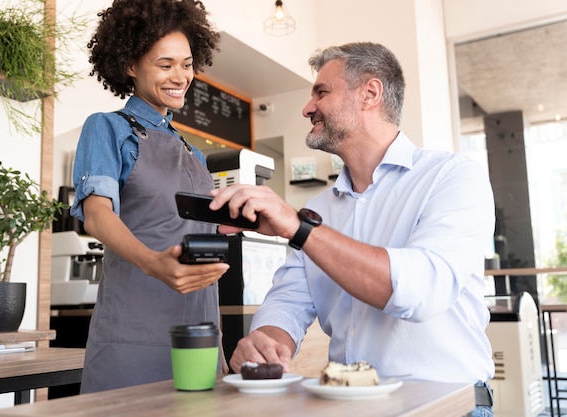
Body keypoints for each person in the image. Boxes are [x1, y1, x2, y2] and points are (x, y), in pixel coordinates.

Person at [210, 42, 495, 417]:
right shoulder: (321, 209)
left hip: (446, 408)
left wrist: (298, 227)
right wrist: (266, 341)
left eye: (321, 92)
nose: (307, 108)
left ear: (370, 93)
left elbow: (422, 289)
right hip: (348, 406)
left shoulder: (452, 177)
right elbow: (289, 302)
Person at [70, 0, 229, 393]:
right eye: (165, 65)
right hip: (134, 332)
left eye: (187, 64)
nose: (181, 76)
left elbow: (188, 227)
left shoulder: (193, 152)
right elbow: (97, 215)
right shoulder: (108, 129)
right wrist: (155, 264)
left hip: (201, 332)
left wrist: (237, 220)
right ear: (130, 65)